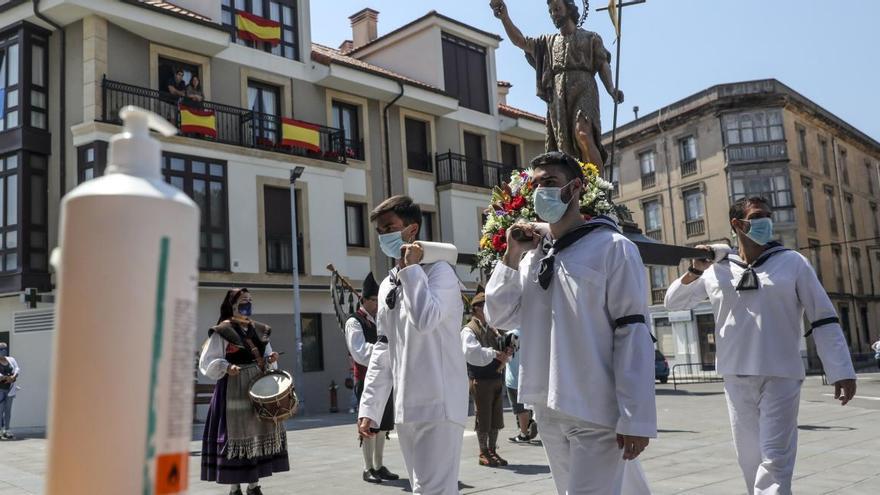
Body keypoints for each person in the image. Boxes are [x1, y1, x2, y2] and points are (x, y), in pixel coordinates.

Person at [485, 151, 656, 494]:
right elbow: (500, 316)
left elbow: (632, 332)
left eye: (550, 183)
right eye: (535, 185)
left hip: (595, 408)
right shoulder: (533, 257)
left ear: (575, 187)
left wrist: (635, 416)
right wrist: (510, 255)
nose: (540, 192)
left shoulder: (612, 248)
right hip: (546, 407)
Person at [665, 196, 857, 495]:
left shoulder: (793, 262)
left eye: (768, 214)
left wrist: (841, 369)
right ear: (737, 224)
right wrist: (697, 269)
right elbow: (673, 302)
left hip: (781, 374)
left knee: (775, 459)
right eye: (757, 216)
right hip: (736, 375)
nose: (766, 221)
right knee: (749, 460)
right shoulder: (717, 268)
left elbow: (823, 317)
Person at [357, 195, 468, 495]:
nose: (384, 236)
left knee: (434, 491)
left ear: (412, 230)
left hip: (440, 402)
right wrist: (370, 407)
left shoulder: (440, 272)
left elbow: (426, 319)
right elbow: (383, 348)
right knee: (424, 489)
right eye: (379, 231)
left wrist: (411, 269)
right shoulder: (387, 284)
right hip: (408, 404)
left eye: (390, 227)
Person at [491, 0, 623, 168]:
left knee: (583, 133)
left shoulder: (591, 38)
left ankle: (598, 186)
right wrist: (505, 18)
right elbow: (520, 41)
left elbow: (603, 64)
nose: (554, 13)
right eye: (551, 11)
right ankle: (575, 184)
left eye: (558, 9)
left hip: (584, 88)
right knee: (564, 146)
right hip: (558, 94)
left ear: (569, 9)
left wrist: (611, 89)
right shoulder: (547, 42)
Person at [200, 289, 289, 495]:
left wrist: (271, 359)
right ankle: (234, 487)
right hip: (233, 389)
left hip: (258, 387)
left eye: (250, 300)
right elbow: (208, 361)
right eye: (243, 301)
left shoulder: (259, 329)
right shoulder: (223, 331)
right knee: (237, 436)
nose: (247, 304)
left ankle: (254, 485)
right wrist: (225, 366)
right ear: (232, 305)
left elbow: (267, 355)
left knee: (257, 434)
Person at [345, 273, 399, 484]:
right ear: (364, 300)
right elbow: (359, 351)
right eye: (373, 300)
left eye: (378, 299)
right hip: (366, 379)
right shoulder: (354, 322)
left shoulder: (380, 320)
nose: (377, 304)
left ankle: (379, 464)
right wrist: (384, 353)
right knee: (369, 425)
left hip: (386, 379)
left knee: (383, 425)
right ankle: (367, 467)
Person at [461, 291, 512, 467]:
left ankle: (492, 450)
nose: (488, 309)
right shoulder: (468, 330)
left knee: (496, 417)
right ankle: (483, 452)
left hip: (496, 377)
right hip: (480, 379)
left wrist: (506, 353)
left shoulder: (492, 328)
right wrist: (495, 354)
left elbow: (502, 347)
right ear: (476, 308)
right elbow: (472, 353)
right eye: (485, 306)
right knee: (483, 417)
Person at [504, 329, 538, 444]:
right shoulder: (531, 331)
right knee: (528, 405)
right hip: (530, 375)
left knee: (520, 409)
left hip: (514, 376)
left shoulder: (511, 334)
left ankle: (523, 434)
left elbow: (507, 356)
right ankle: (531, 422)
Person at [0, 343, 20, 440]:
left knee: (8, 411)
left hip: (10, 389)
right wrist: (5, 377)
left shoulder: (11, 359)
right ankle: (0, 431)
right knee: (0, 411)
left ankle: (7, 430)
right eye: (1, 349)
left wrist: (13, 376)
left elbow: (17, 368)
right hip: (0, 389)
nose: (3, 351)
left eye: (4, 349)